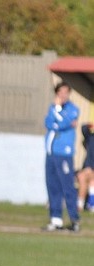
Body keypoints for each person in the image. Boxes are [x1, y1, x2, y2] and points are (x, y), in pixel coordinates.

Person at [43, 81, 80, 232]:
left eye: (66, 92)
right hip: (51, 153)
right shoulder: (52, 108)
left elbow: (65, 122)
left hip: (64, 153)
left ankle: (74, 219)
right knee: (53, 186)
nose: (63, 95)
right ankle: (56, 219)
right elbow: (48, 123)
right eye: (60, 92)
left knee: (67, 186)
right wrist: (58, 120)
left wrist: (57, 112)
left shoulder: (72, 109)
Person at [77, 122, 94, 213]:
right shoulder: (90, 137)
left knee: (91, 180)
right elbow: (83, 128)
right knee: (82, 178)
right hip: (87, 168)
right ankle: (80, 204)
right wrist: (90, 124)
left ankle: (91, 204)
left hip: (91, 169)